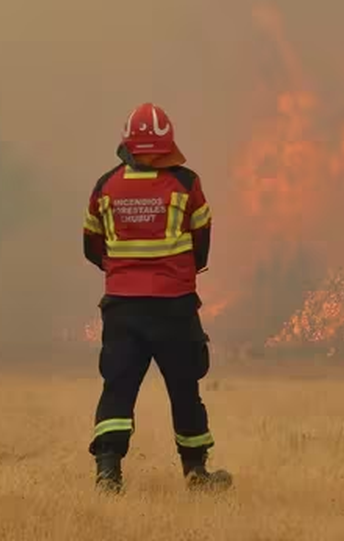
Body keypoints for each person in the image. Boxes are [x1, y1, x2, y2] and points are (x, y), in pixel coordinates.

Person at [82, 102, 232, 492]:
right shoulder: (185, 183)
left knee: (118, 387)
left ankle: (108, 472)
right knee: (185, 389)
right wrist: (177, 271)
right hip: (175, 308)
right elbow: (202, 243)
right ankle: (196, 472)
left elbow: (91, 245)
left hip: (122, 308)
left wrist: (123, 272)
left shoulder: (105, 186)